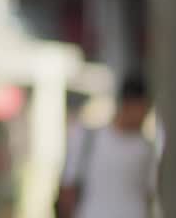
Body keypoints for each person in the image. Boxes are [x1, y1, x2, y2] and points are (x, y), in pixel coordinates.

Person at [58, 76, 157, 218]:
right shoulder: (88, 138)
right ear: (127, 105)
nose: (143, 117)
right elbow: (68, 188)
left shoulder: (147, 149)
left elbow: (150, 192)